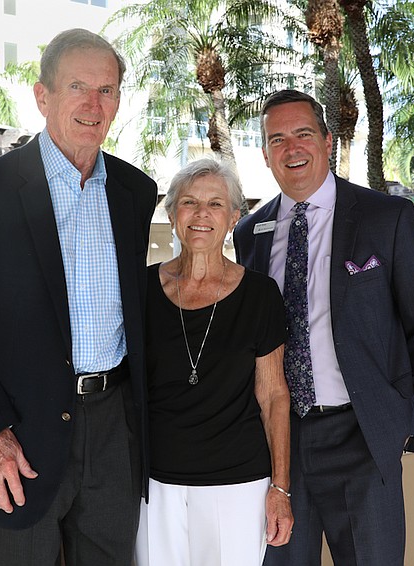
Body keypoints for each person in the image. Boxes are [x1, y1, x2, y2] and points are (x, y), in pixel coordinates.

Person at [0, 28, 157, 566]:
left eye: (108, 90)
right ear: (42, 95)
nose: (94, 104)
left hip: (113, 435)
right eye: (79, 86)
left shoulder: (135, 192)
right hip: (18, 439)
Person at [234, 90, 414, 565]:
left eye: (303, 134)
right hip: (280, 444)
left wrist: (410, 423)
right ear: (266, 153)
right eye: (277, 139)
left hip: (363, 435)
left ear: (328, 141)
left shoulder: (384, 217)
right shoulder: (251, 233)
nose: (292, 148)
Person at [136, 158, 294, 566]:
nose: (201, 214)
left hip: (239, 484)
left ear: (233, 218)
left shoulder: (260, 294)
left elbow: (274, 395)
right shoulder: (141, 290)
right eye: (189, 202)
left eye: (216, 204)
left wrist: (281, 488)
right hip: (155, 486)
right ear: (172, 215)